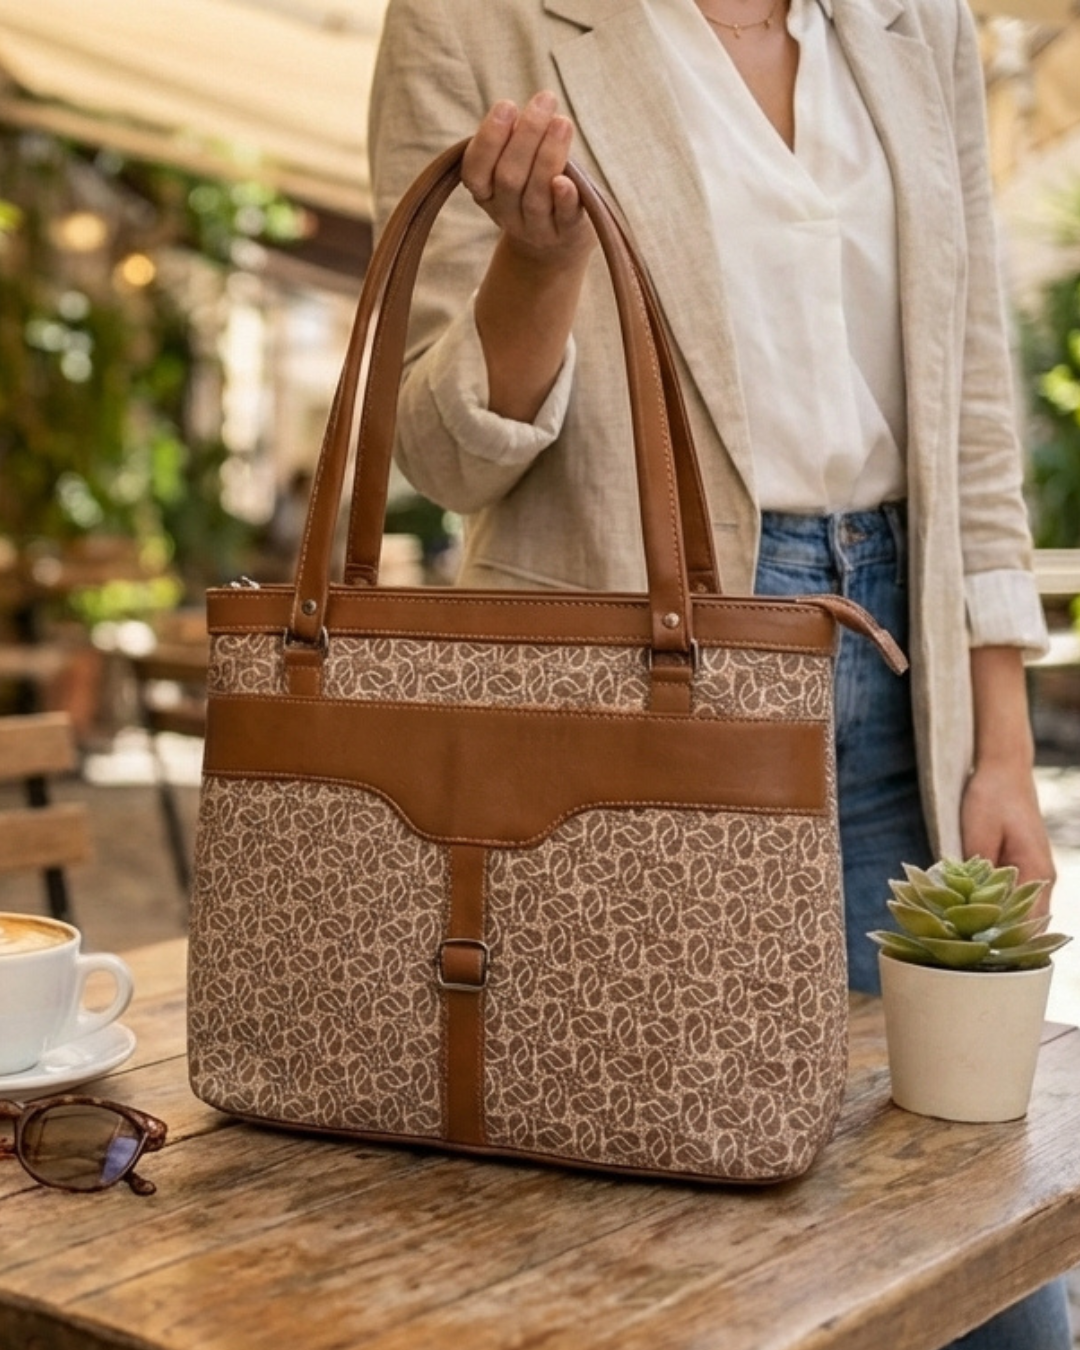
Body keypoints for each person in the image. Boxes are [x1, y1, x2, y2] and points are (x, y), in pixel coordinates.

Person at [368, 1, 1071, 1345]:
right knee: (659, 1264)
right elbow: (445, 454)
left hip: (897, 706)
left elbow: (974, 398)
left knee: (980, 1266)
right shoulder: (472, 25)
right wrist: (539, 267)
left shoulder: (917, 22)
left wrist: (1000, 739)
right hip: (622, 727)